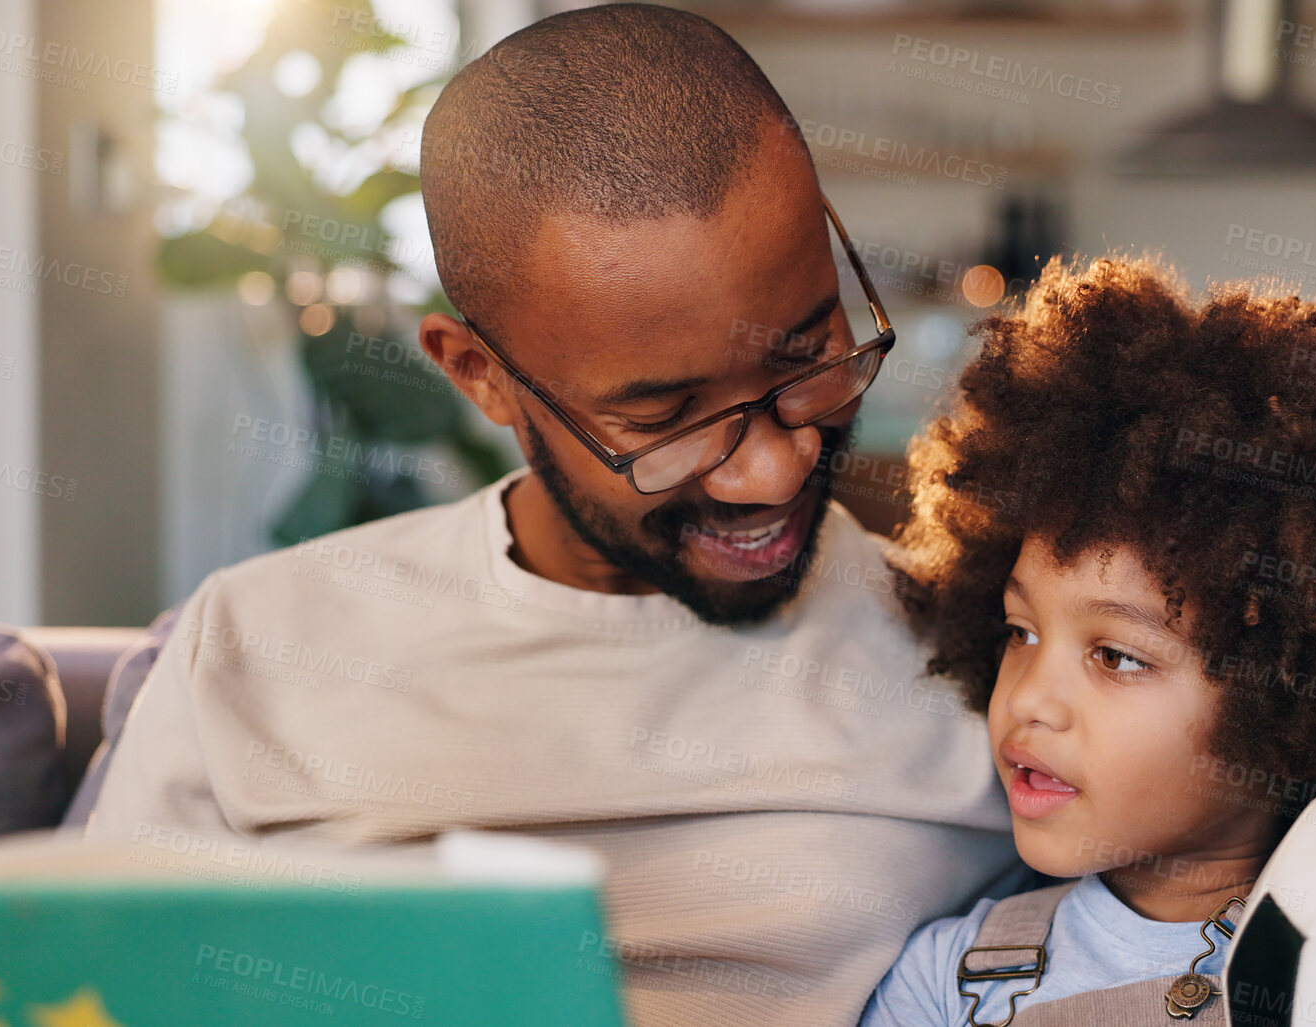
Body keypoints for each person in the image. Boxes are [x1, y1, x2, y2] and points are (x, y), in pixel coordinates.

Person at [87, 6, 1018, 1025]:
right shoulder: (254, 650)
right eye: (663, 416)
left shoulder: (995, 661)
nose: (772, 467)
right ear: (480, 376)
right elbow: (87, 991)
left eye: (809, 355)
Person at [860, 257, 1316, 1025]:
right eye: (1019, 631)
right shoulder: (945, 983)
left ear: (1285, 700)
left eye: (1115, 656)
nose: (1031, 696)